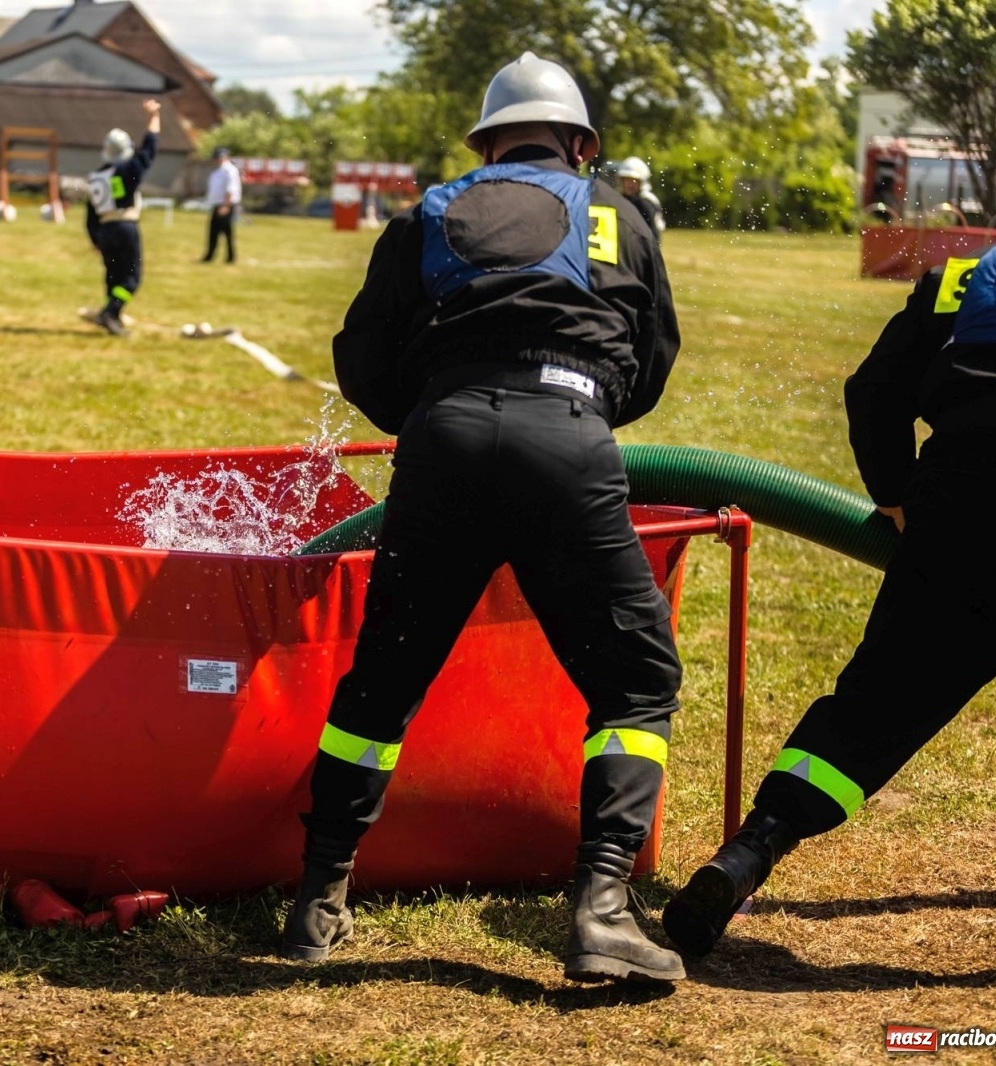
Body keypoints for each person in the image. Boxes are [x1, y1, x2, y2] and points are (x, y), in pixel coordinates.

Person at [282, 52, 683, 984]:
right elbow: (652, 357)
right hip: (571, 438)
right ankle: (604, 910)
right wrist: (573, 415)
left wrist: (439, 415)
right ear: (580, 144)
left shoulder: (427, 214)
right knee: (634, 683)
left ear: (486, 144)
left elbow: (363, 361)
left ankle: (316, 901)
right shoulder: (620, 215)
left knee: (384, 678)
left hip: (444, 442)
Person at [662, 186, 996, 963]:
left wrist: (899, 497)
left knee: (871, 711)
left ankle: (751, 849)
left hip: (960, 508)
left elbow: (873, 391)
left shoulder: (958, 276)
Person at [85, 98, 161, 337]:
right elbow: (149, 147)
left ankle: (113, 317)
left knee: (112, 276)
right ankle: (110, 311)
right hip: (125, 226)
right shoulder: (128, 170)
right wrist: (153, 118)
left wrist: (95, 239)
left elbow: (90, 214)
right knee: (131, 279)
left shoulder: (96, 176)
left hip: (105, 230)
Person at [201, 146, 241, 264]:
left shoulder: (229, 170)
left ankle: (231, 257)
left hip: (225, 205)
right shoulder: (217, 170)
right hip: (217, 204)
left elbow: (230, 190)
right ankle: (210, 256)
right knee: (213, 232)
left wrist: (226, 206)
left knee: (227, 233)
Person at [613, 156, 665, 238]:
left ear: (642, 181)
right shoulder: (617, 199)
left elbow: (653, 233)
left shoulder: (647, 202)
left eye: (634, 180)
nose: (630, 184)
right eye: (627, 179)